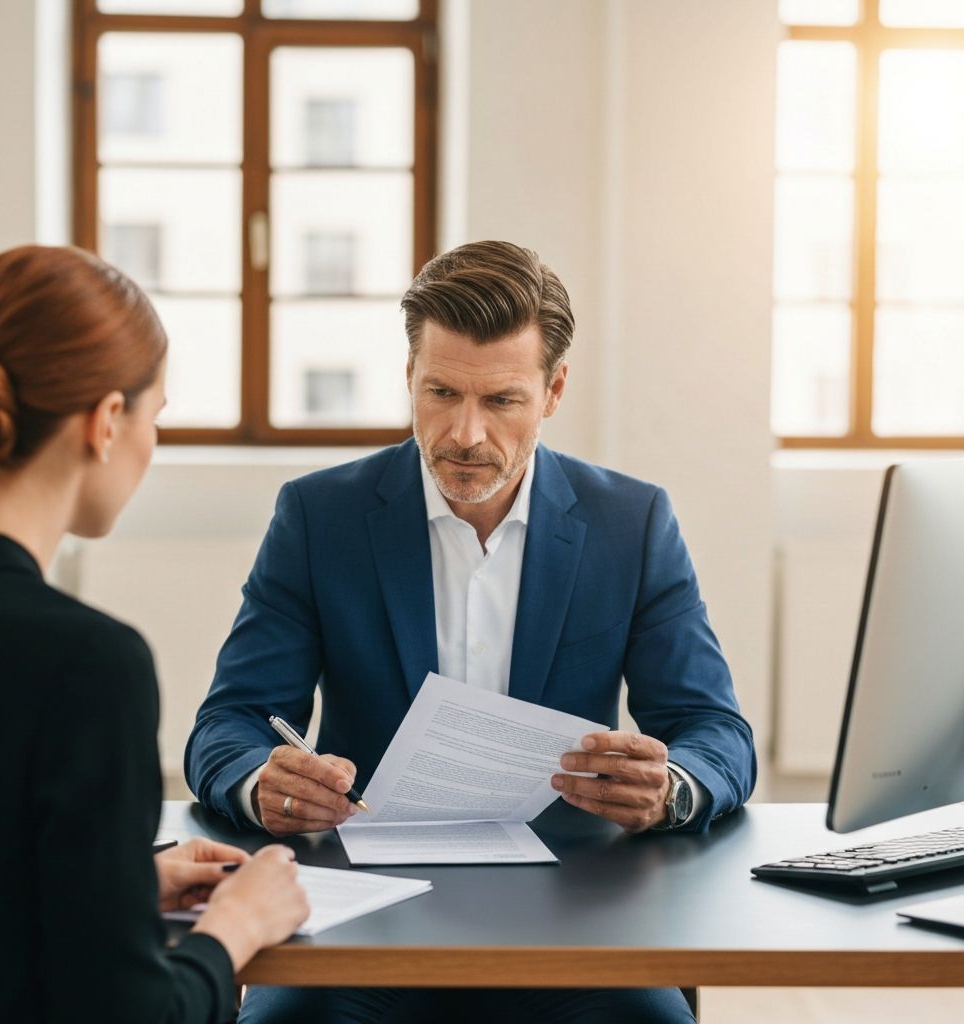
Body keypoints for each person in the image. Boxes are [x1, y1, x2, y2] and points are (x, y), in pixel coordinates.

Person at [186, 240, 756, 1023]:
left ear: (554, 390)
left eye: (501, 401)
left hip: (574, 910)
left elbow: (715, 730)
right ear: (409, 377)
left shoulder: (633, 523)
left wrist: (671, 789)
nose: (466, 435)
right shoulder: (320, 517)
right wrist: (262, 783)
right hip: (364, 913)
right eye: (442, 392)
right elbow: (229, 723)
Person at [0, 245, 310, 1024]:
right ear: (107, 421)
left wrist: (122, 884)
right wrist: (235, 929)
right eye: (155, 416)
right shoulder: (84, 663)